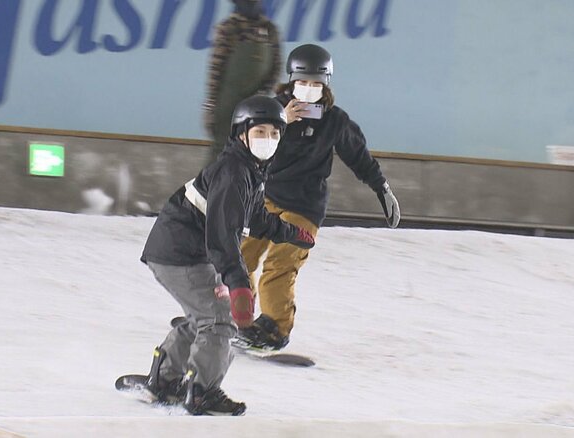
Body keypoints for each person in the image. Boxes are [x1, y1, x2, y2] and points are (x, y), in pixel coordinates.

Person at [139, 95, 315, 416]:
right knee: (219, 321)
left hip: (182, 249)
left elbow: (256, 217)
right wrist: (238, 283)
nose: (267, 140)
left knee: (205, 316)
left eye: (274, 133)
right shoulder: (234, 173)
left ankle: (164, 379)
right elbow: (223, 235)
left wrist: (291, 233)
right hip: (179, 252)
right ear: (241, 134)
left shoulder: (250, 169)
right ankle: (202, 392)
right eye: (259, 132)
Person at [238, 44, 401, 351]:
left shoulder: (335, 121)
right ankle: (233, 316)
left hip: (304, 207)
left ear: (326, 84)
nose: (309, 89)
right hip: (266, 199)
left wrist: (381, 187)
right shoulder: (271, 111)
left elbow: (359, 156)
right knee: (239, 257)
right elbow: (246, 149)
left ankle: (274, 329)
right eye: (302, 82)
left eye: (316, 83)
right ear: (291, 81)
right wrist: (281, 122)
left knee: (280, 264)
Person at [203, 0, 281, 163]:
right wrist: (210, 106)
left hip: (258, 106)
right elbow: (216, 69)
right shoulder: (229, 28)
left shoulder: (270, 30)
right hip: (228, 105)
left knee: (252, 154)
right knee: (221, 151)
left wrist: (264, 93)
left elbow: (276, 67)